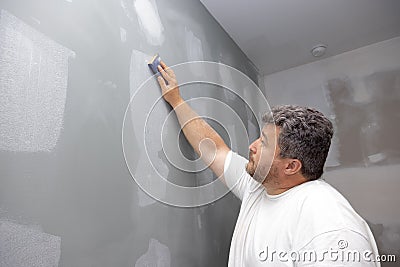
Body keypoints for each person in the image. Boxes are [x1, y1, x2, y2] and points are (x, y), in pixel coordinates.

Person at [155, 61, 381, 266]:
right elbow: (215, 149)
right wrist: (176, 99)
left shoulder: (330, 227)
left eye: (264, 143)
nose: (252, 146)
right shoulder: (260, 187)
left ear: (291, 166)